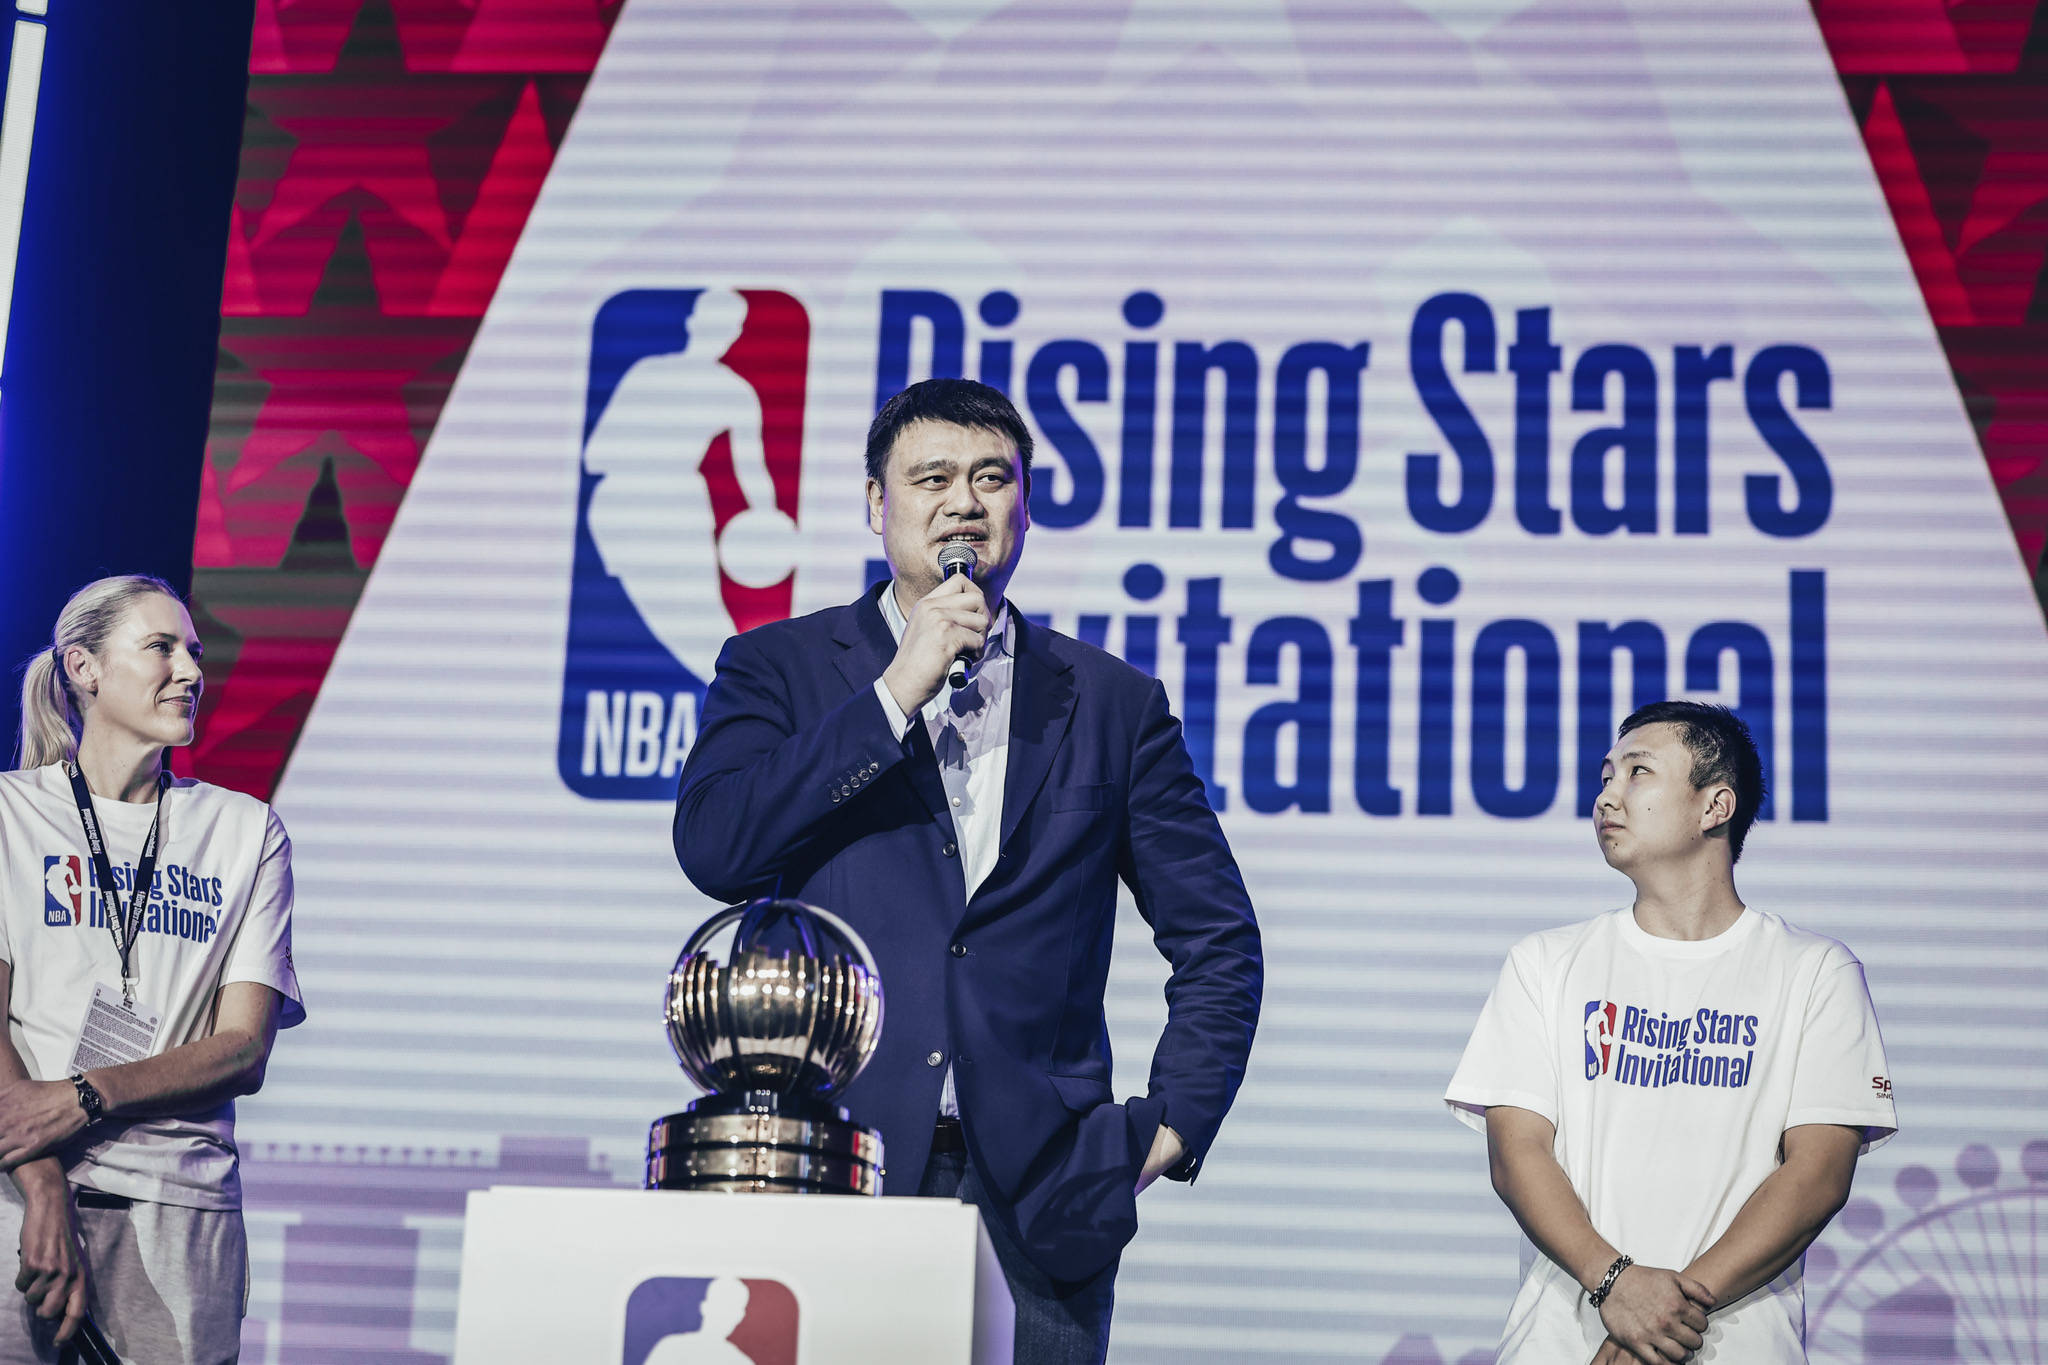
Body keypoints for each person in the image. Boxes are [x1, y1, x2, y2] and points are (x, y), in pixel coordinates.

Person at [674, 378, 1263, 1364]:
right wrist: (893, 692)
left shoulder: (1110, 704)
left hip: (1041, 1202)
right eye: (932, 478)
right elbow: (715, 848)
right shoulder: (779, 667)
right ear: (876, 504)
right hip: (834, 1173)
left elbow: (1218, 940)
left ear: (1024, 507)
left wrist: (1165, 1132)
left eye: (992, 478)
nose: (964, 502)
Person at [1445, 701, 1896, 1364]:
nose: (1607, 795)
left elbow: (1818, 1174)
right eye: (1605, 777)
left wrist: (1664, 1313)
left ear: (1715, 805)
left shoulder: (1814, 971)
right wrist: (1615, 1283)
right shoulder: (1544, 962)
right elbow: (1517, 1156)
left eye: (1638, 772)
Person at [0, 575, 304, 1364]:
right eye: (161, 647)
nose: (192, 670)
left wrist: (84, 1094)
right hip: (19, 1200)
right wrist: (43, 1187)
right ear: (84, 667)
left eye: (195, 651)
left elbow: (244, 1048)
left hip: (182, 1210)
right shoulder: (9, 815)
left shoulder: (245, 831)